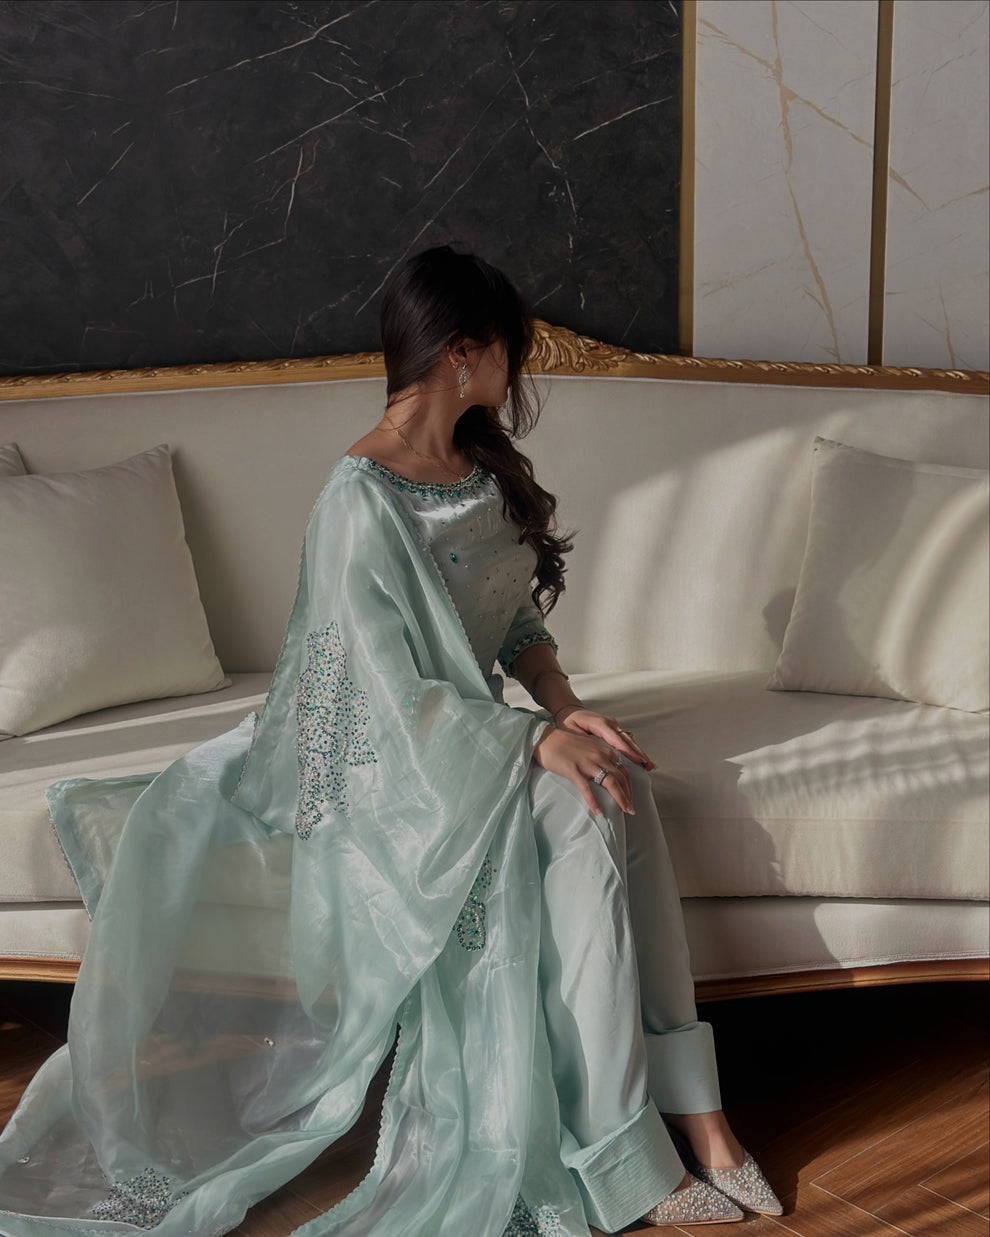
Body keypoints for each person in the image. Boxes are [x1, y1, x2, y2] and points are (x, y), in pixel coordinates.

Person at [0, 247, 781, 1236]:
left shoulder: (478, 465)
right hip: (377, 766)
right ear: (463, 351)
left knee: (623, 778)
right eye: (508, 348)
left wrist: (564, 709)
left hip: (470, 738)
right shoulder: (358, 500)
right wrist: (531, 747)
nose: (516, 368)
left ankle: (701, 1115)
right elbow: (374, 699)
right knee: (584, 812)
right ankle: (623, 1155)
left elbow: (514, 622)